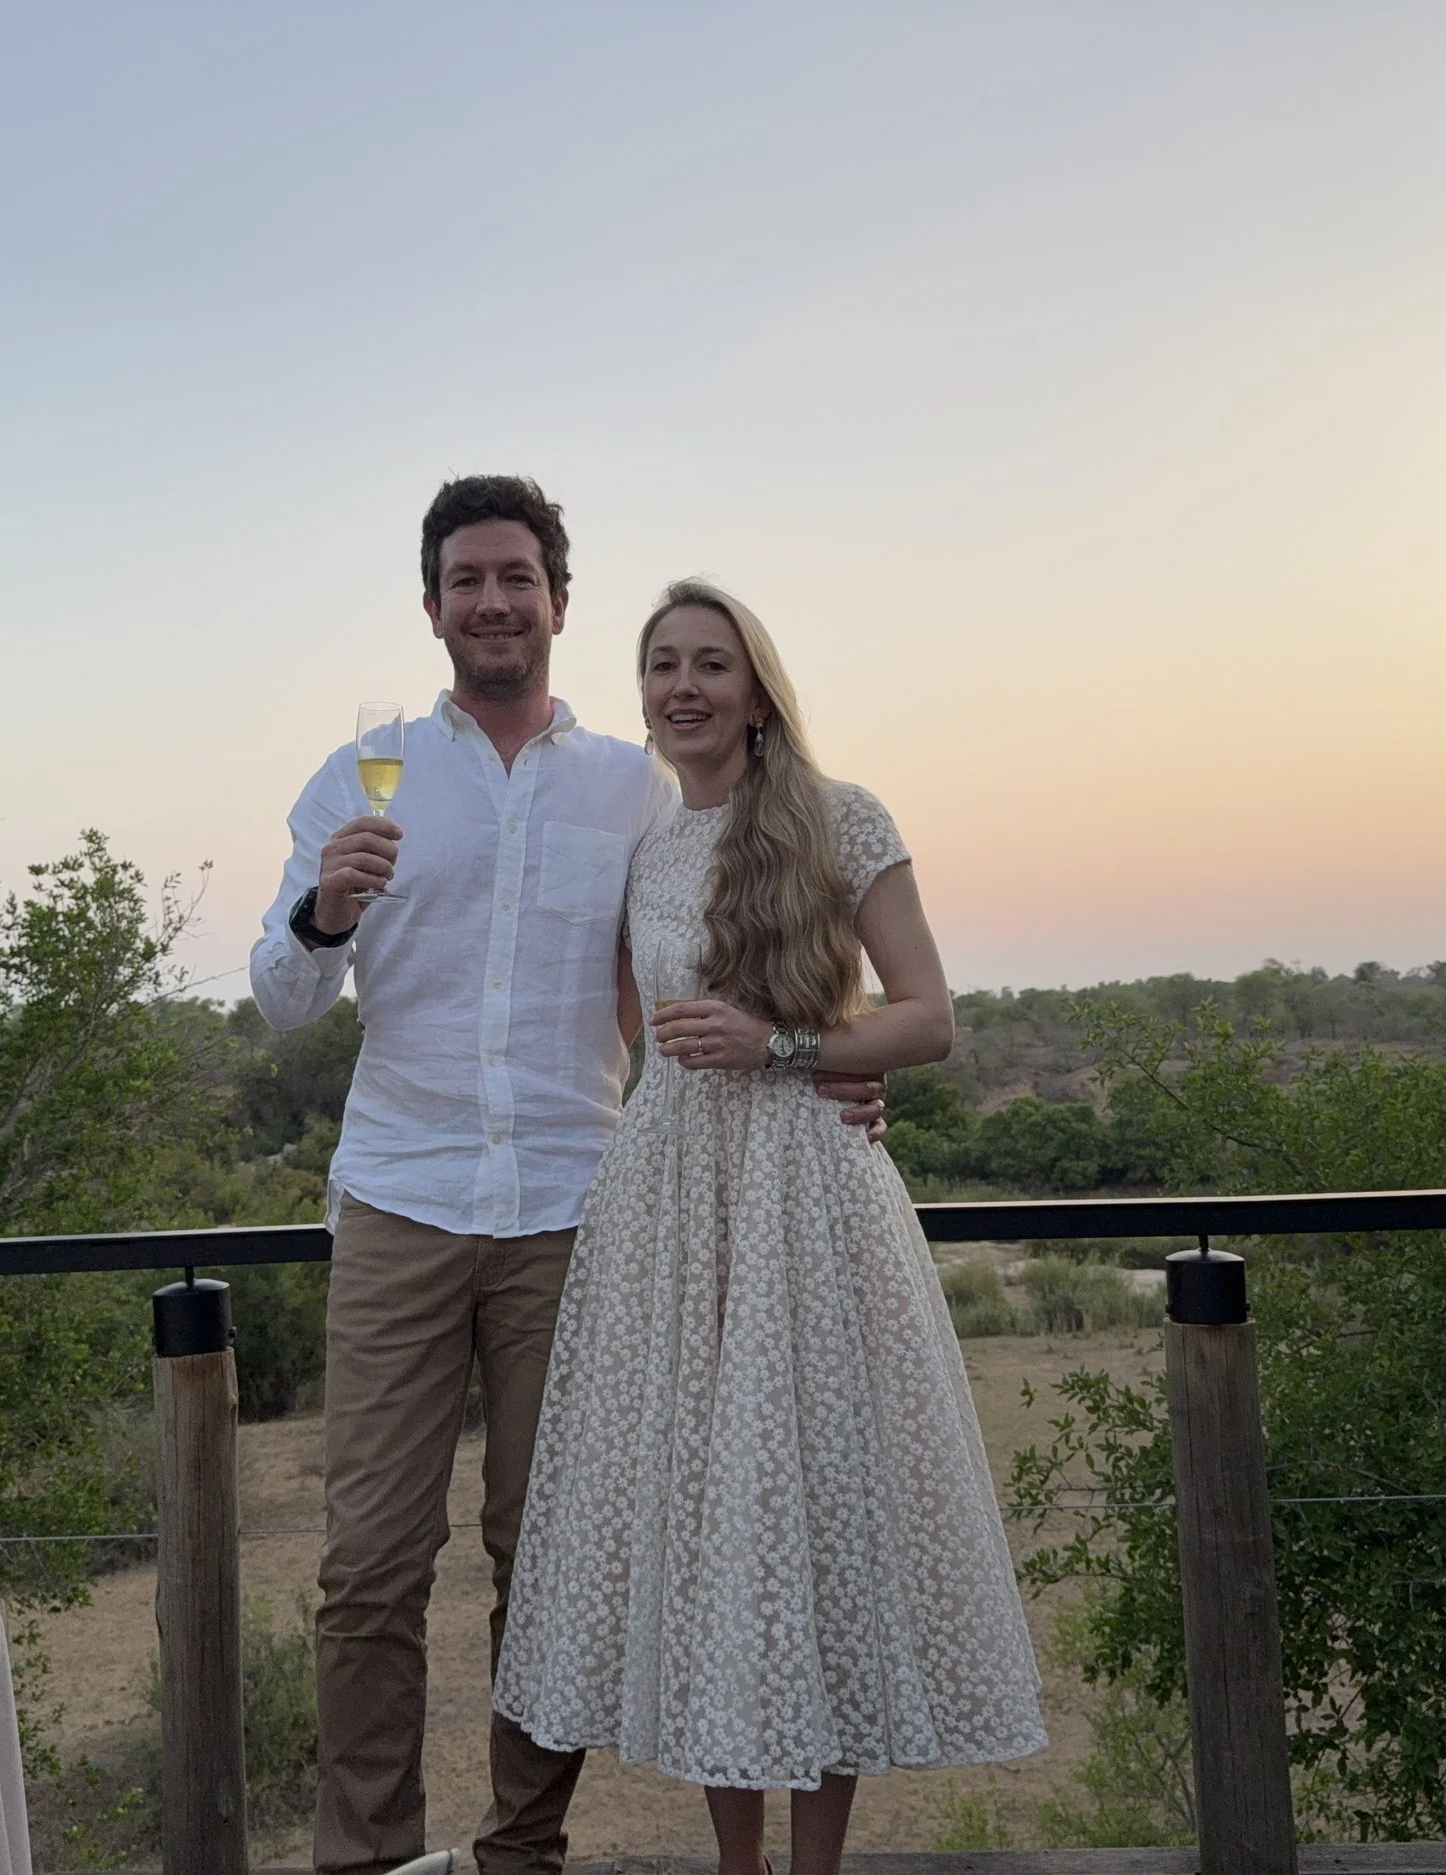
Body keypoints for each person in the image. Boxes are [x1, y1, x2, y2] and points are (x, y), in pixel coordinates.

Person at [249, 483, 886, 1875]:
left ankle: (518, 1854)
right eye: (466, 578)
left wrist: (836, 1060)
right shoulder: (361, 775)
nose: (491, 601)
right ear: (432, 606)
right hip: (402, 1202)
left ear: (556, 604)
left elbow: (710, 974)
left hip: (584, 1215)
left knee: (551, 1560)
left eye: (516, 577)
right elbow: (283, 1003)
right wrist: (323, 910)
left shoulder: (633, 789)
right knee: (367, 1569)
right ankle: (369, 1857)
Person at [492, 580, 1047, 1875]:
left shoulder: (842, 819)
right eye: (663, 665)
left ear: (755, 688)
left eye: (710, 663)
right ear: (641, 692)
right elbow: (629, 1025)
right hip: (673, 1211)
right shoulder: (644, 842)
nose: (683, 685)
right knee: (709, 1539)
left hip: (806, 1198)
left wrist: (790, 1047)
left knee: (818, 1525)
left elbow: (929, 1014)